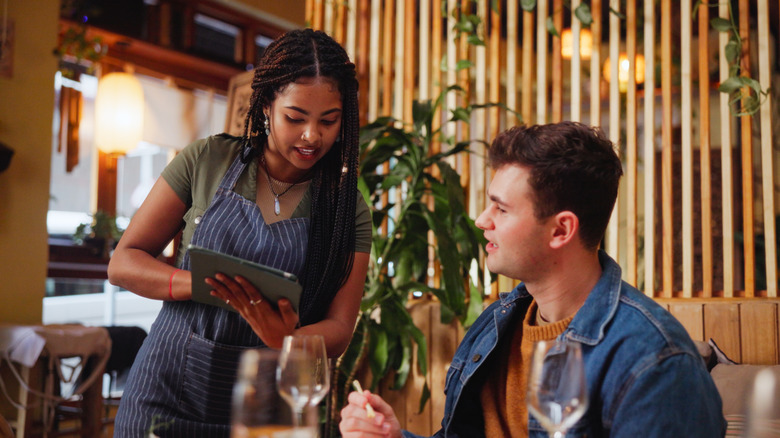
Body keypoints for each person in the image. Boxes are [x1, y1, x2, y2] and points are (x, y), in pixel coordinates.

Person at [339, 122, 726, 438]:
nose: (481, 220)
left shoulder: (656, 362)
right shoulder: (494, 326)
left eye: (501, 209)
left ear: (561, 230)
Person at [108, 28, 371, 437]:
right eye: (295, 117)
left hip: (270, 403)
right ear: (266, 106)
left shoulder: (346, 208)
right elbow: (124, 263)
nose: (311, 136)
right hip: (164, 390)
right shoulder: (207, 159)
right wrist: (199, 284)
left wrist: (290, 338)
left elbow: (340, 327)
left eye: (329, 121)